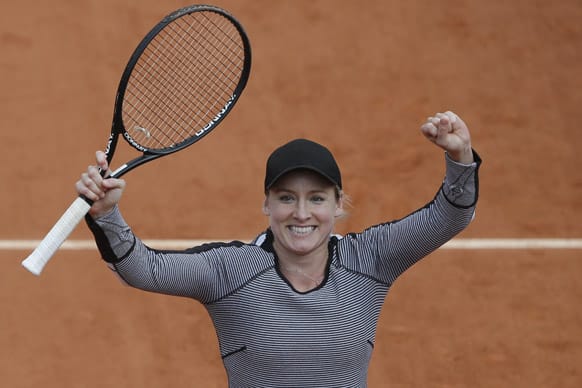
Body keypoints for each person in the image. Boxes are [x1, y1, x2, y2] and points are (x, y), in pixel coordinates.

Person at [77, 110, 481, 387]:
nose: (301, 214)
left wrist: (460, 155)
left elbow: (449, 216)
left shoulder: (369, 260)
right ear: (266, 204)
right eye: (286, 197)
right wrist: (107, 214)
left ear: (339, 205)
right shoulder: (230, 271)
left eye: (317, 199)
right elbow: (143, 269)